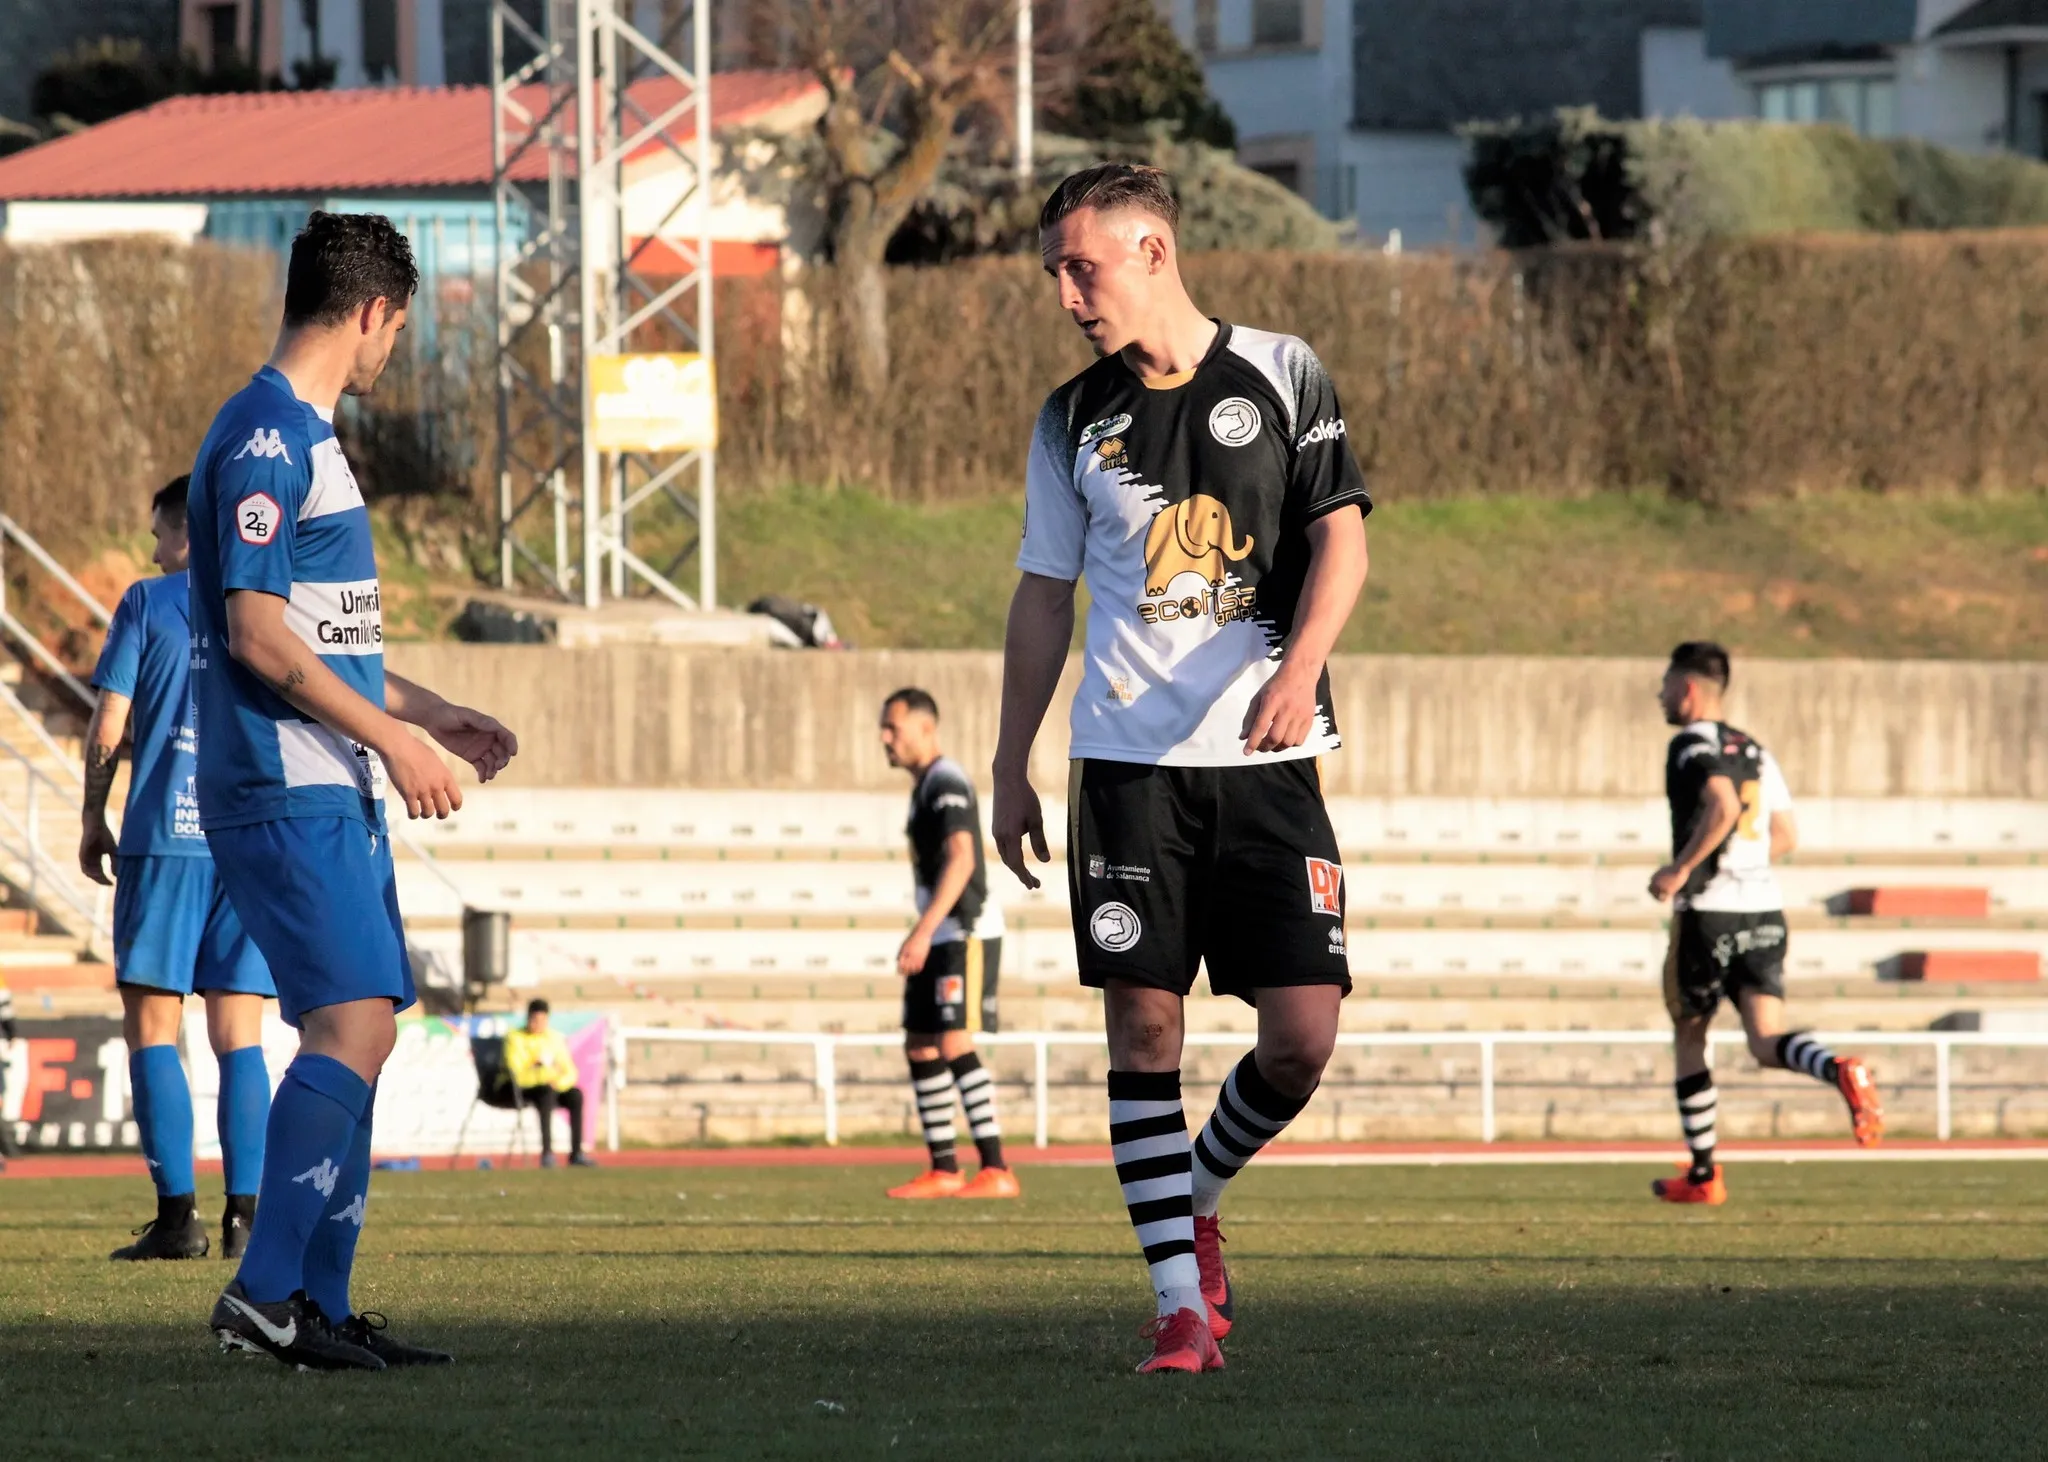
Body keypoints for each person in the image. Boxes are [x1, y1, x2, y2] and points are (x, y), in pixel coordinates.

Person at [991, 165, 1371, 1375]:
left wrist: (1298, 665)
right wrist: (1012, 763)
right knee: (1143, 1022)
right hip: (1125, 767)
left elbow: (1340, 541)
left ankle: (1197, 1191)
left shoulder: (1282, 368)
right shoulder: (1070, 417)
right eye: (1054, 269)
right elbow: (1042, 597)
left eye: (1079, 266)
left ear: (1150, 249)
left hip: (1268, 758)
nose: (1064, 292)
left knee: (1301, 1036)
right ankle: (1175, 1307)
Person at [191, 210, 517, 1371]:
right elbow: (255, 635)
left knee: (365, 1030)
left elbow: (324, 634)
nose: (391, 352)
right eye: (396, 330)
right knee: (352, 1025)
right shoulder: (271, 440)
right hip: (285, 781)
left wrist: (424, 716)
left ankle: (314, 1302)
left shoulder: (308, 438)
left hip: (328, 779)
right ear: (375, 311)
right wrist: (392, 738)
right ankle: (263, 1296)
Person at [82, 476, 277, 1263]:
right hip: (246, 841)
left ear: (187, 534)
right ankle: (247, 1221)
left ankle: (176, 1221)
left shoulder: (146, 603)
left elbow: (108, 725)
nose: (153, 549)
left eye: (160, 533)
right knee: (242, 1036)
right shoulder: (267, 610)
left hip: (163, 838)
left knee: (154, 1029)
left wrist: (93, 815)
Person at [1648, 641, 1884, 1205]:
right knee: (1765, 1041)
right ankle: (1837, 1068)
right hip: (1764, 911)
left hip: (1708, 916)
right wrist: (1744, 866)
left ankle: (1705, 1175)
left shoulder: (1688, 744)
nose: (1659, 695)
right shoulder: (1755, 749)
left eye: (1664, 685)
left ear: (1687, 689)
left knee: (1690, 1034)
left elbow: (1723, 806)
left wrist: (1681, 870)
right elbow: (1785, 835)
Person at [877, 688, 1019, 1201]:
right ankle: (943, 1167)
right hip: (939, 932)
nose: (885, 738)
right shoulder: (924, 787)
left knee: (955, 1040)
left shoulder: (946, 781)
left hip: (965, 931)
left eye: (893, 727)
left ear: (925, 728)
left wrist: (921, 931)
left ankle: (996, 1167)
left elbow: (963, 859)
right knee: (920, 1040)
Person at [504, 999, 596, 1168]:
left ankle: (576, 1154)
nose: (538, 1025)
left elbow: (570, 1072)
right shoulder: (515, 1038)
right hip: (525, 1089)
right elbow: (515, 1074)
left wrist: (557, 1083)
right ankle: (547, 1154)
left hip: (552, 1087)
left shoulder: (554, 1039)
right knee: (545, 1094)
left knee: (576, 1095)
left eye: (542, 1021)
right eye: (534, 1020)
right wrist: (540, 1069)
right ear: (528, 1018)